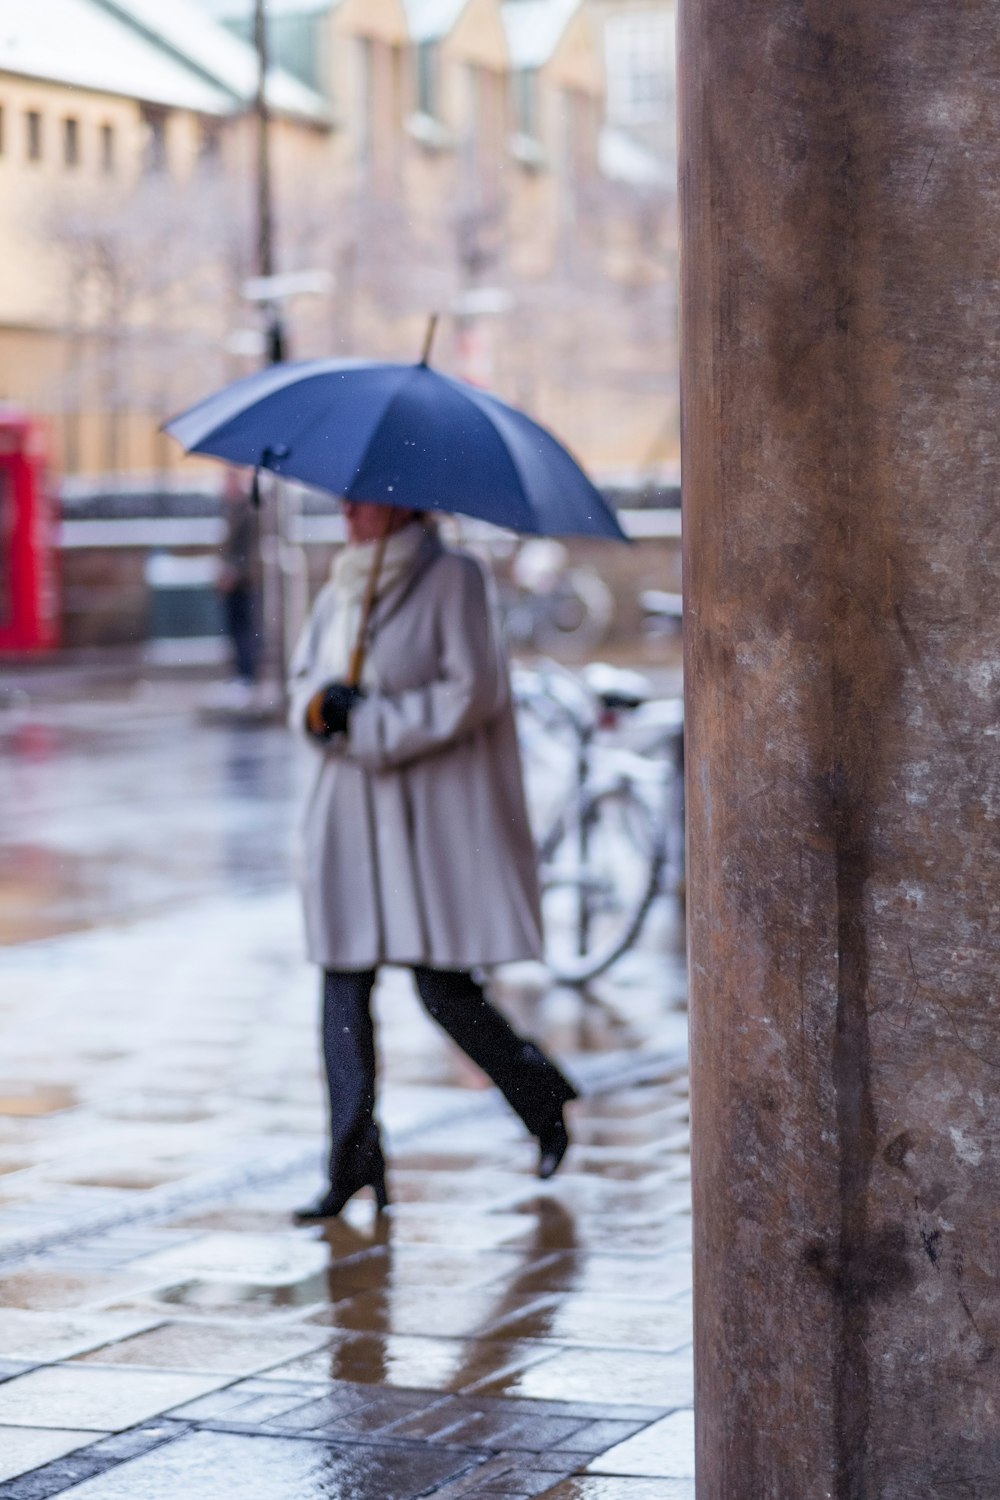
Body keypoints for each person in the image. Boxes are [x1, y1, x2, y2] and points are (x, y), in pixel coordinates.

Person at [288, 501, 577, 1221]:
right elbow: (303, 682)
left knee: (442, 990)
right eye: (345, 500)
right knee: (342, 990)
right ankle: (352, 1159)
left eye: (364, 499)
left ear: (403, 504)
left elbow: (472, 690)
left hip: (423, 822)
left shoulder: (455, 579)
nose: (349, 511)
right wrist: (323, 708)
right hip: (349, 818)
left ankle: (539, 1093)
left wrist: (373, 721)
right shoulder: (339, 587)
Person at [217, 468, 262, 696]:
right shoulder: (232, 510)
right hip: (235, 582)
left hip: (243, 583)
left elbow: (248, 550)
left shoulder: (246, 511)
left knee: (245, 629)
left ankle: (246, 675)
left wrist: (234, 573)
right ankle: (240, 674)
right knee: (235, 629)